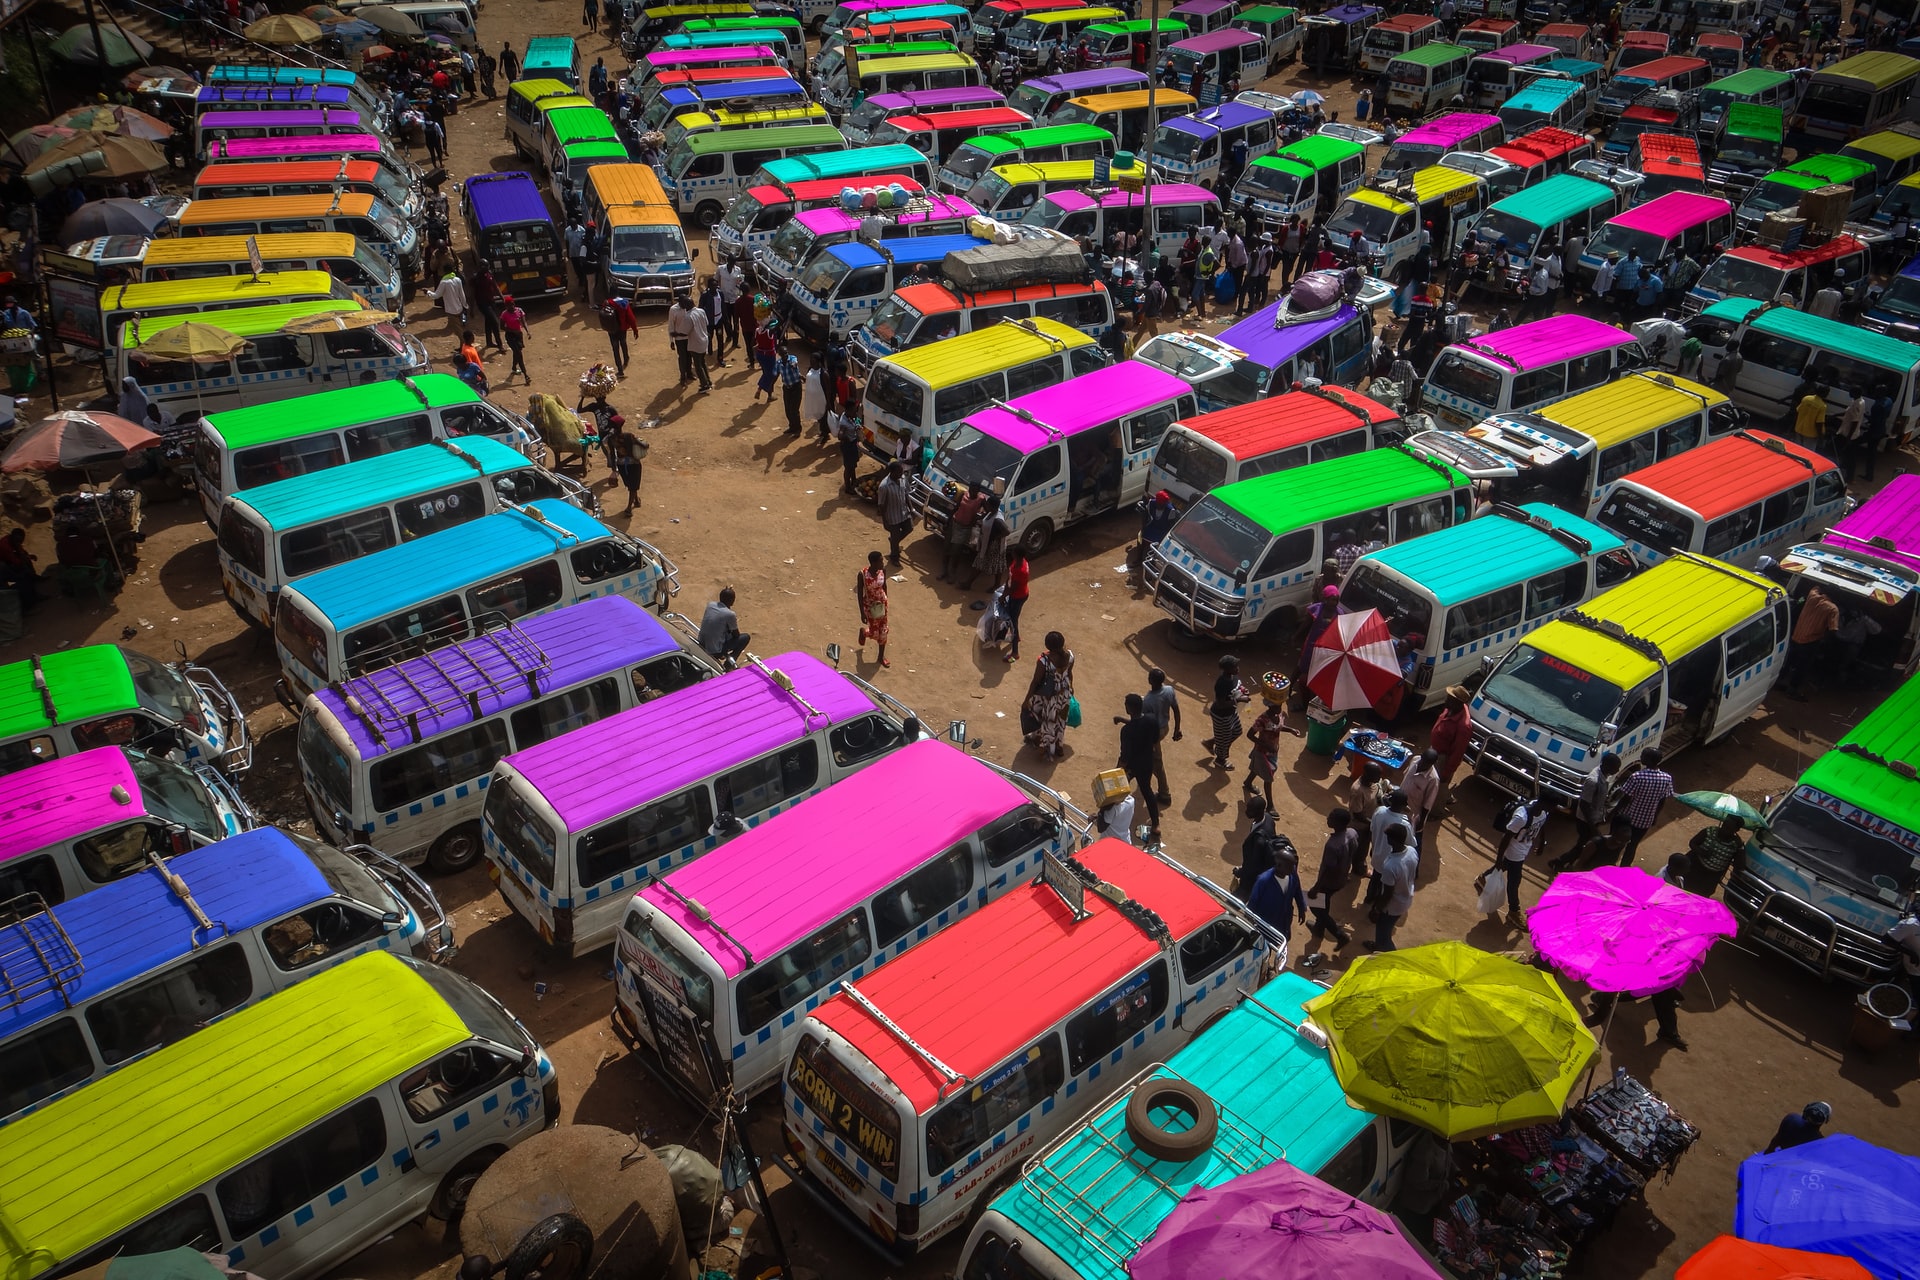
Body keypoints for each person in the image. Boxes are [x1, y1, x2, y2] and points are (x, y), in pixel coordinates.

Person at [1551, 753, 1622, 870]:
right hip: (1586, 820)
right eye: (1616, 767)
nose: (1617, 770)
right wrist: (1592, 826)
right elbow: (1584, 804)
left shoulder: (1604, 775)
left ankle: (1565, 863)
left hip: (1594, 818)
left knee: (1583, 844)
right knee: (1584, 846)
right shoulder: (1593, 781)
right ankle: (1559, 862)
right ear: (1607, 766)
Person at [1489, 792, 1549, 926]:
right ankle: (1514, 911)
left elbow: (1541, 824)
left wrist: (1541, 843)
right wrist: (1498, 859)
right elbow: (1506, 838)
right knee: (1514, 881)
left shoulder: (1543, 812)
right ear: (1544, 802)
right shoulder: (1521, 817)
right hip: (1514, 852)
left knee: (1505, 866)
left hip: (1523, 850)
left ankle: (1484, 877)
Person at [1613, 747, 1676, 866]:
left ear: (1649, 760)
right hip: (1645, 821)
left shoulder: (1637, 776)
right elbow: (1662, 800)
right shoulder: (1666, 778)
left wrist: (1616, 812)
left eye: (1643, 756)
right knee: (1633, 845)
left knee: (1618, 842)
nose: (1641, 757)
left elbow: (1626, 798)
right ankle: (1624, 869)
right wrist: (1655, 817)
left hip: (1628, 818)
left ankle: (1610, 864)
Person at [1308, 807, 1358, 949]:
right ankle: (1318, 929)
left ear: (1339, 823)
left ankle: (1339, 935)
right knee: (1325, 901)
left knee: (1316, 907)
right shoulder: (1352, 833)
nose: (1327, 818)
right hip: (1341, 878)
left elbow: (1328, 870)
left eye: (1331, 817)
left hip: (1329, 882)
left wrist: (1316, 888)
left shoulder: (1333, 845)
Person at [1116, 693, 1162, 842]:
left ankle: (1112, 816)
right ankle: (1155, 825)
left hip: (1131, 766)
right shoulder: (1151, 720)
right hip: (1147, 763)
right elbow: (1154, 740)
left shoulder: (1127, 731)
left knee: (1118, 790)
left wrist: (1117, 770)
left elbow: (1125, 755)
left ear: (1129, 708)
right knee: (1147, 791)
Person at [1024, 631, 1076, 760]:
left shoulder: (1044, 661)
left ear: (1047, 646)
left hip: (1049, 696)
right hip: (1064, 693)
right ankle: (1058, 746)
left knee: (1048, 720)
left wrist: (1027, 699)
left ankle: (1044, 747)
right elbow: (1069, 673)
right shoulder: (1070, 656)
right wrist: (1071, 687)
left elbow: (1036, 681)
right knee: (1060, 719)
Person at [1783, 584, 1839, 698]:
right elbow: (1833, 630)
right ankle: (1792, 690)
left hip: (1796, 636)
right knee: (1802, 668)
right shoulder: (1833, 609)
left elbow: (1815, 587)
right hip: (1810, 642)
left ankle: (1779, 682)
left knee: (1788, 661)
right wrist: (1824, 645)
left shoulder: (1812, 596)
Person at [1368, 824, 1418, 952]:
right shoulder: (1412, 852)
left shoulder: (1391, 866)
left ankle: (1387, 953)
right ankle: (1378, 946)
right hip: (1405, 899)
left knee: (1383, 933)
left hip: (1391, 906)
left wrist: (1377, 909)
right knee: (1386, 930)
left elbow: (1387, 894)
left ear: (1392, 840)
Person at [1204, 654, 1249, 770]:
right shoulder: (1222, 683)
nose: (1238, 668)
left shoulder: (1233, 677)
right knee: (1224, 740)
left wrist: (1243, 691)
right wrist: (1239, 699)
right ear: (1227, 669)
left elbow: (1236, 689)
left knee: (1237, 731)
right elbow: (1221, 704)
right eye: (1235, 666)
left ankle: (1211, 742)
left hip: (1231, 712)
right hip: (1221, 715)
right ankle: (1220, 760)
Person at [1144, 667, 1181, 805]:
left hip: (1153, 734)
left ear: (1150, 680)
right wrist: (1177, 729)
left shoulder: (1148, 701)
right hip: (1165, 728)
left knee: (1157, 764)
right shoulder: (1169, 690)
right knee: (1152, 759)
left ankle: (1164, 794)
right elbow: (1176, 710)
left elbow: (1144, 721)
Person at [1686, 813, 1746, 897]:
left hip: (1711, 877)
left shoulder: (1736, 844)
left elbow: (1739, 865)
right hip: (1695, 867)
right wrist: (1701, 852)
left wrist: (1740, 849)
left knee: (1699, 897)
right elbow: (1692, 843)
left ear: (1736, 830)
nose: (1724, 829)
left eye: (1729, 828)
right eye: (1724, 825)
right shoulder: (1710, 831)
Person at [1244, 698, 1290, 808]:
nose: (1280, 708)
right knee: (1268, 778)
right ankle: (1270, 805)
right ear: (1270, 706)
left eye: (1281, 705)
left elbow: (1278, 728)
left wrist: (1291, 730)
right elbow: (1250, 735)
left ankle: (1248, 782)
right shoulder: (1262, 720)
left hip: (1273, 751)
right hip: (1262, 753)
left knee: (1257, 768)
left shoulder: (1278, 715)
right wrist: (1266, 745)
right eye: (1277, 706)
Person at [942, 484, 987, 581]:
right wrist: (947, 522)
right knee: (946, 547)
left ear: (978, 491)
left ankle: (952, 573)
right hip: (954, 523)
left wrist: (979, 517)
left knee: (956, 552)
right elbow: (956, 508)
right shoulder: (963, 494)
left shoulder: (981, 499)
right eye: (971, 490)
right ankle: (944, 571)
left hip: (965, 528)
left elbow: (988, 511)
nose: (972, 492)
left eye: (974, 490)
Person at [1430, 685, 1472, 788]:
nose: (1445, 701)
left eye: (1449, 699)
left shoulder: (1463, 726)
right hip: (1434, 752)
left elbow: (1457, 752)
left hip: (1442, 760)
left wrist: (1446, 773)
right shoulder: (1451, 708)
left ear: (1457, 703)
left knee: (1436, 789)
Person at [855, 550, 891, 667]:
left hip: (882, 606)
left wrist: (886, 600)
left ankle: (881, 657)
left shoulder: (882, 571)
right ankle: (864, 632)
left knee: (883, 631)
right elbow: (860, 595)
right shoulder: (863, 575)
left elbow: (884, 586)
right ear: (873, 563)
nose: (883, 562)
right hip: (870, 607)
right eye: (880, 561)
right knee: (875, 633)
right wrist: (862, 613)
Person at [697, 587, 749, 667]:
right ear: (731, 600)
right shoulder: (730, 614)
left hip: (702, 643)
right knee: (745, 638)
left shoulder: (710, 605)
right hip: (715, 651)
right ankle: (729, 663)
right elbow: (736, 635)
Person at [876, 461, 913, 566]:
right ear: (892, 472)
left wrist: (911, 508)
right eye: (899, 472)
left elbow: (906, 494)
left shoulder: (902, 479)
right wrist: (884, 520)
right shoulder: (884, 486)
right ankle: (894, 557)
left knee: (909, 528)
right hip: (892, 516)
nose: (901, 474)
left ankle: (893, 541)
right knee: (895, 535)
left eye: (902, 472)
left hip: (904, 512)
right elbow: (881, 505)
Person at [1403, 749, 1442, 846]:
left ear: (1433, 763)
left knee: (1407, 841)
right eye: (1423, 761)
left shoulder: (1433, 779)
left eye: (1427, 763)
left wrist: (1420, 822)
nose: (1423, 764)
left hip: (1411, 813)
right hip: (1399, 804)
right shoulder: (1415, 759)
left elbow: (1428, 803)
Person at [1763, 1102, 1832, 1153]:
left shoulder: (1791, 1118)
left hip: (1780, 1153)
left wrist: (1768, 1152)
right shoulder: (1819, 1140)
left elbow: (1776, 1139)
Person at [1002, 546, 1031, 661]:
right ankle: (1016, 637)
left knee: (1012, 622)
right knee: (1013, 618)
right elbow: (1010, 577)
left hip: (1017, 597)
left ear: (1017, 555)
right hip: (1019, 594)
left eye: (1013, 553)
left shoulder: (1021, 571)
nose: (1011, 554)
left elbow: (1013, 587)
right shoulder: (1020, 562)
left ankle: (1015, 652)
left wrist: (1003, 596)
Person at [599, 292, 635, 376]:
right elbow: (631, 317)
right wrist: (635, 329)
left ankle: (620, 370)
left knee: (615, 349)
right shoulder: (625, 302)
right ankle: (626, 359)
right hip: (622, 329)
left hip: (612, 330)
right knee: (623, 343)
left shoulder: (607, 303)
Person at [499, 297, 529, 383]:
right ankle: (526, 375)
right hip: (510, 336)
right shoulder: (504, 314)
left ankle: (513, 368)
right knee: (519, 354)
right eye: (509, 305)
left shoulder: (519, 311)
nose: (511, 306)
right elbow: (501, 327)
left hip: (518, 335)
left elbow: (524, 322)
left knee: (517, 352)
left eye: (512, 304)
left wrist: (528, 331)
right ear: (506, 306)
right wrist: (512, 330)